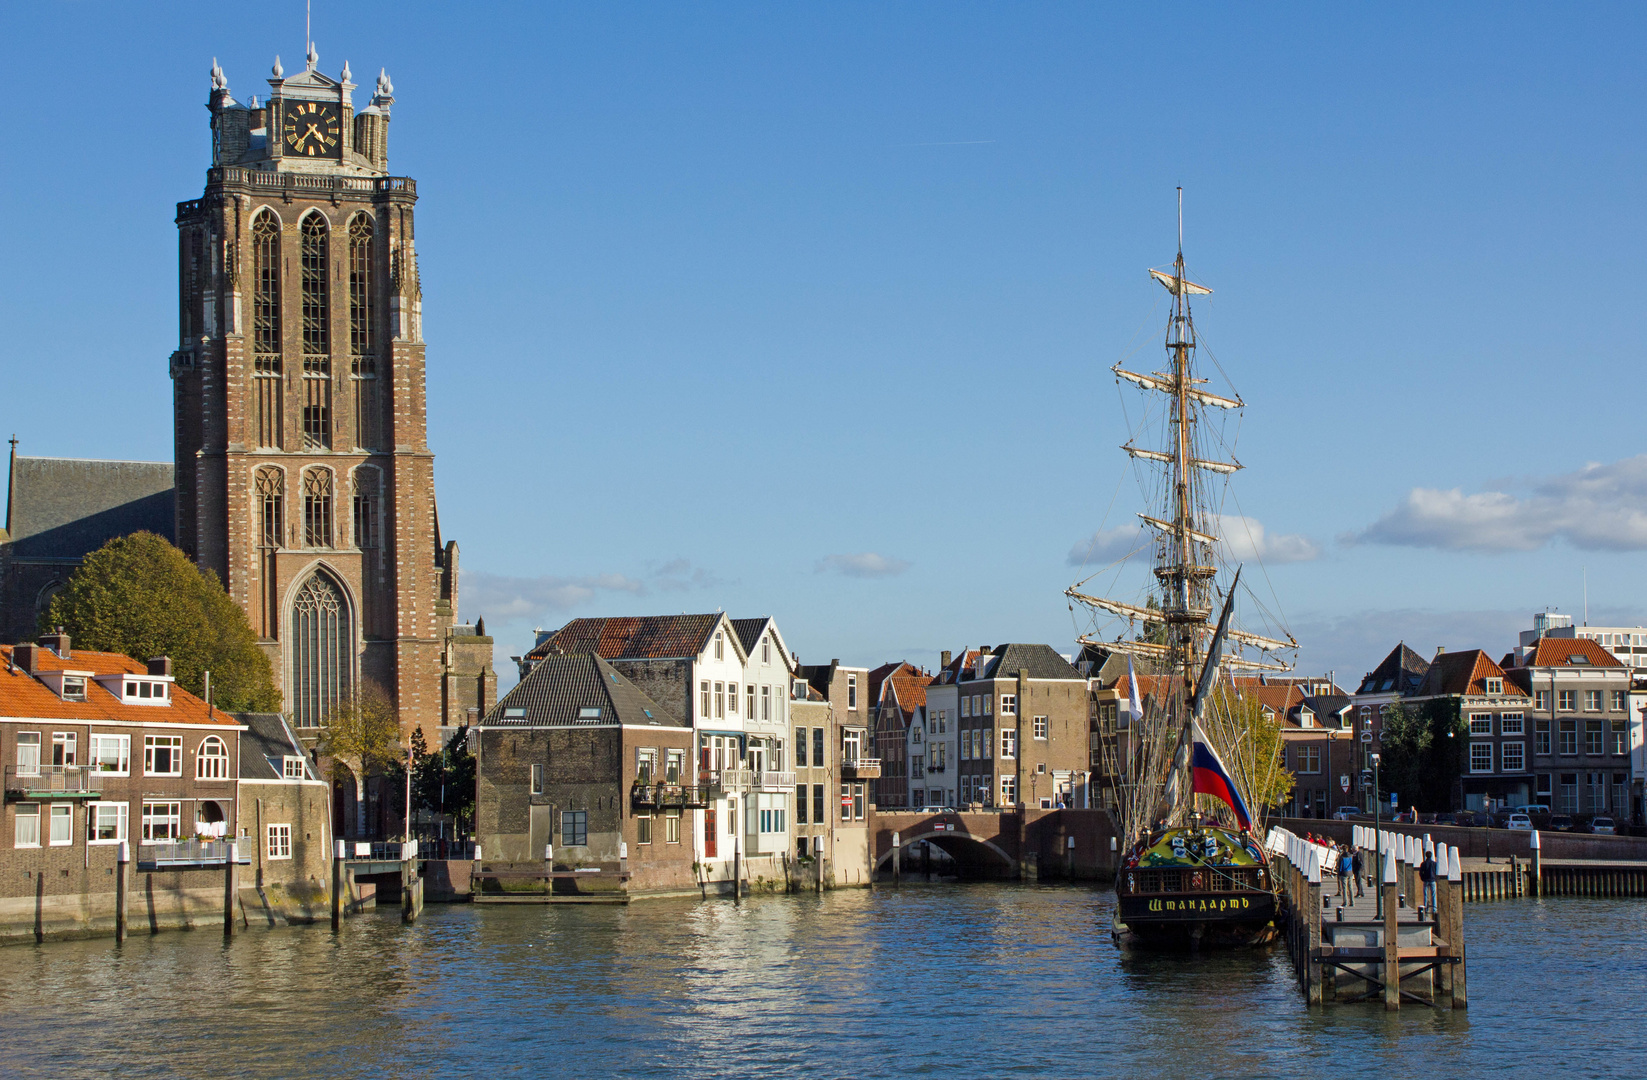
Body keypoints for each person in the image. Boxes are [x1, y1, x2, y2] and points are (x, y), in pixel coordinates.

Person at [1419, 847, 1437, 913]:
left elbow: (1421, 872)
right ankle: (1434, 909)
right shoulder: (1434, 863)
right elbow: (1436, 871)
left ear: (1425, 855)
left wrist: (1422, 878)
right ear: (1431, 856)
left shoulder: (1423, 863)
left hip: (1426, 880)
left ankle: (1426, 908)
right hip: (1432, 880)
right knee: (1433, 894)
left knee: (1426, 895)